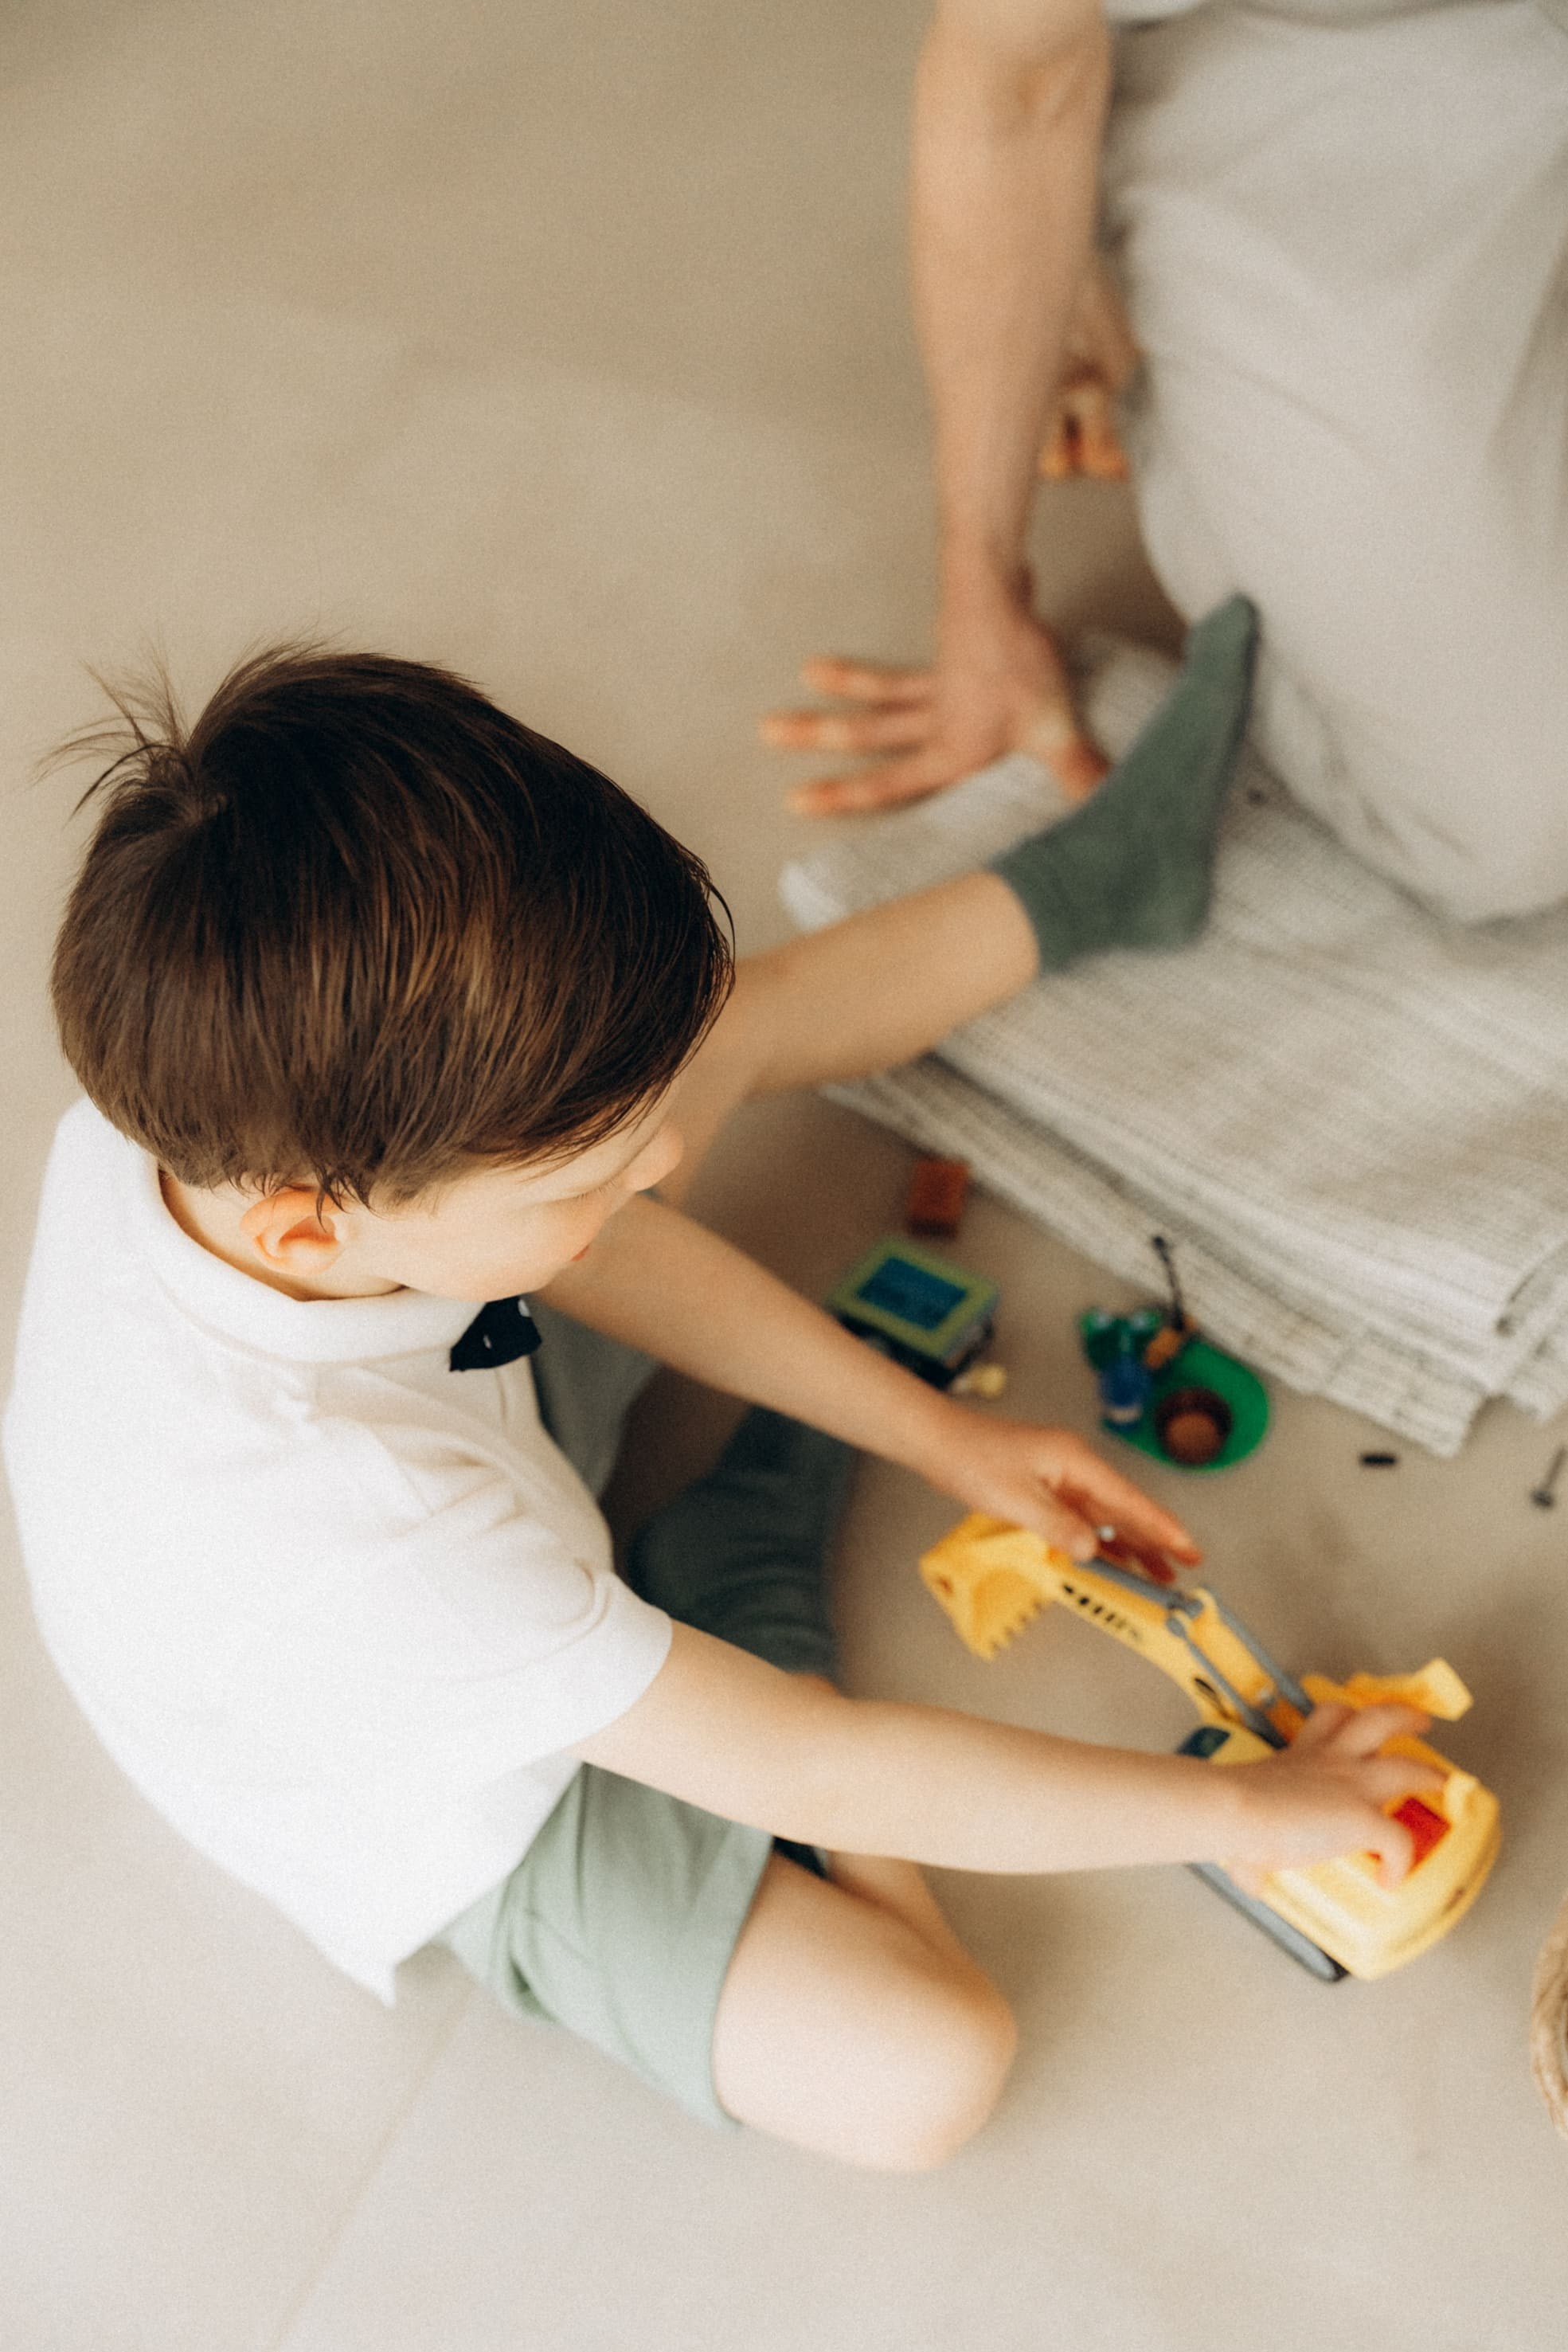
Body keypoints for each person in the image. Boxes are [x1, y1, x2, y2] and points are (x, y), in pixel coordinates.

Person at [4, 638, 1439, 2171]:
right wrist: (1252, 1812)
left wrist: (941, 1430)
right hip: (468, 1783)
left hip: (460, 1458)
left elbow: (610, 1245)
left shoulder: (206, 1119)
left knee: (644, 1096)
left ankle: (1088, 883)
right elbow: (820, 1772)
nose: (663, 1174)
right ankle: (730, 1601)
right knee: (924, 2065)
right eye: (582, 1181)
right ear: (307, 1223)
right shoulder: (373, 1548)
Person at [763, 0, 1568, 925]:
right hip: (1349, 48)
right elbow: (1016, 85)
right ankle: (1133, 305)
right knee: (1510, 820)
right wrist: (980, 585)